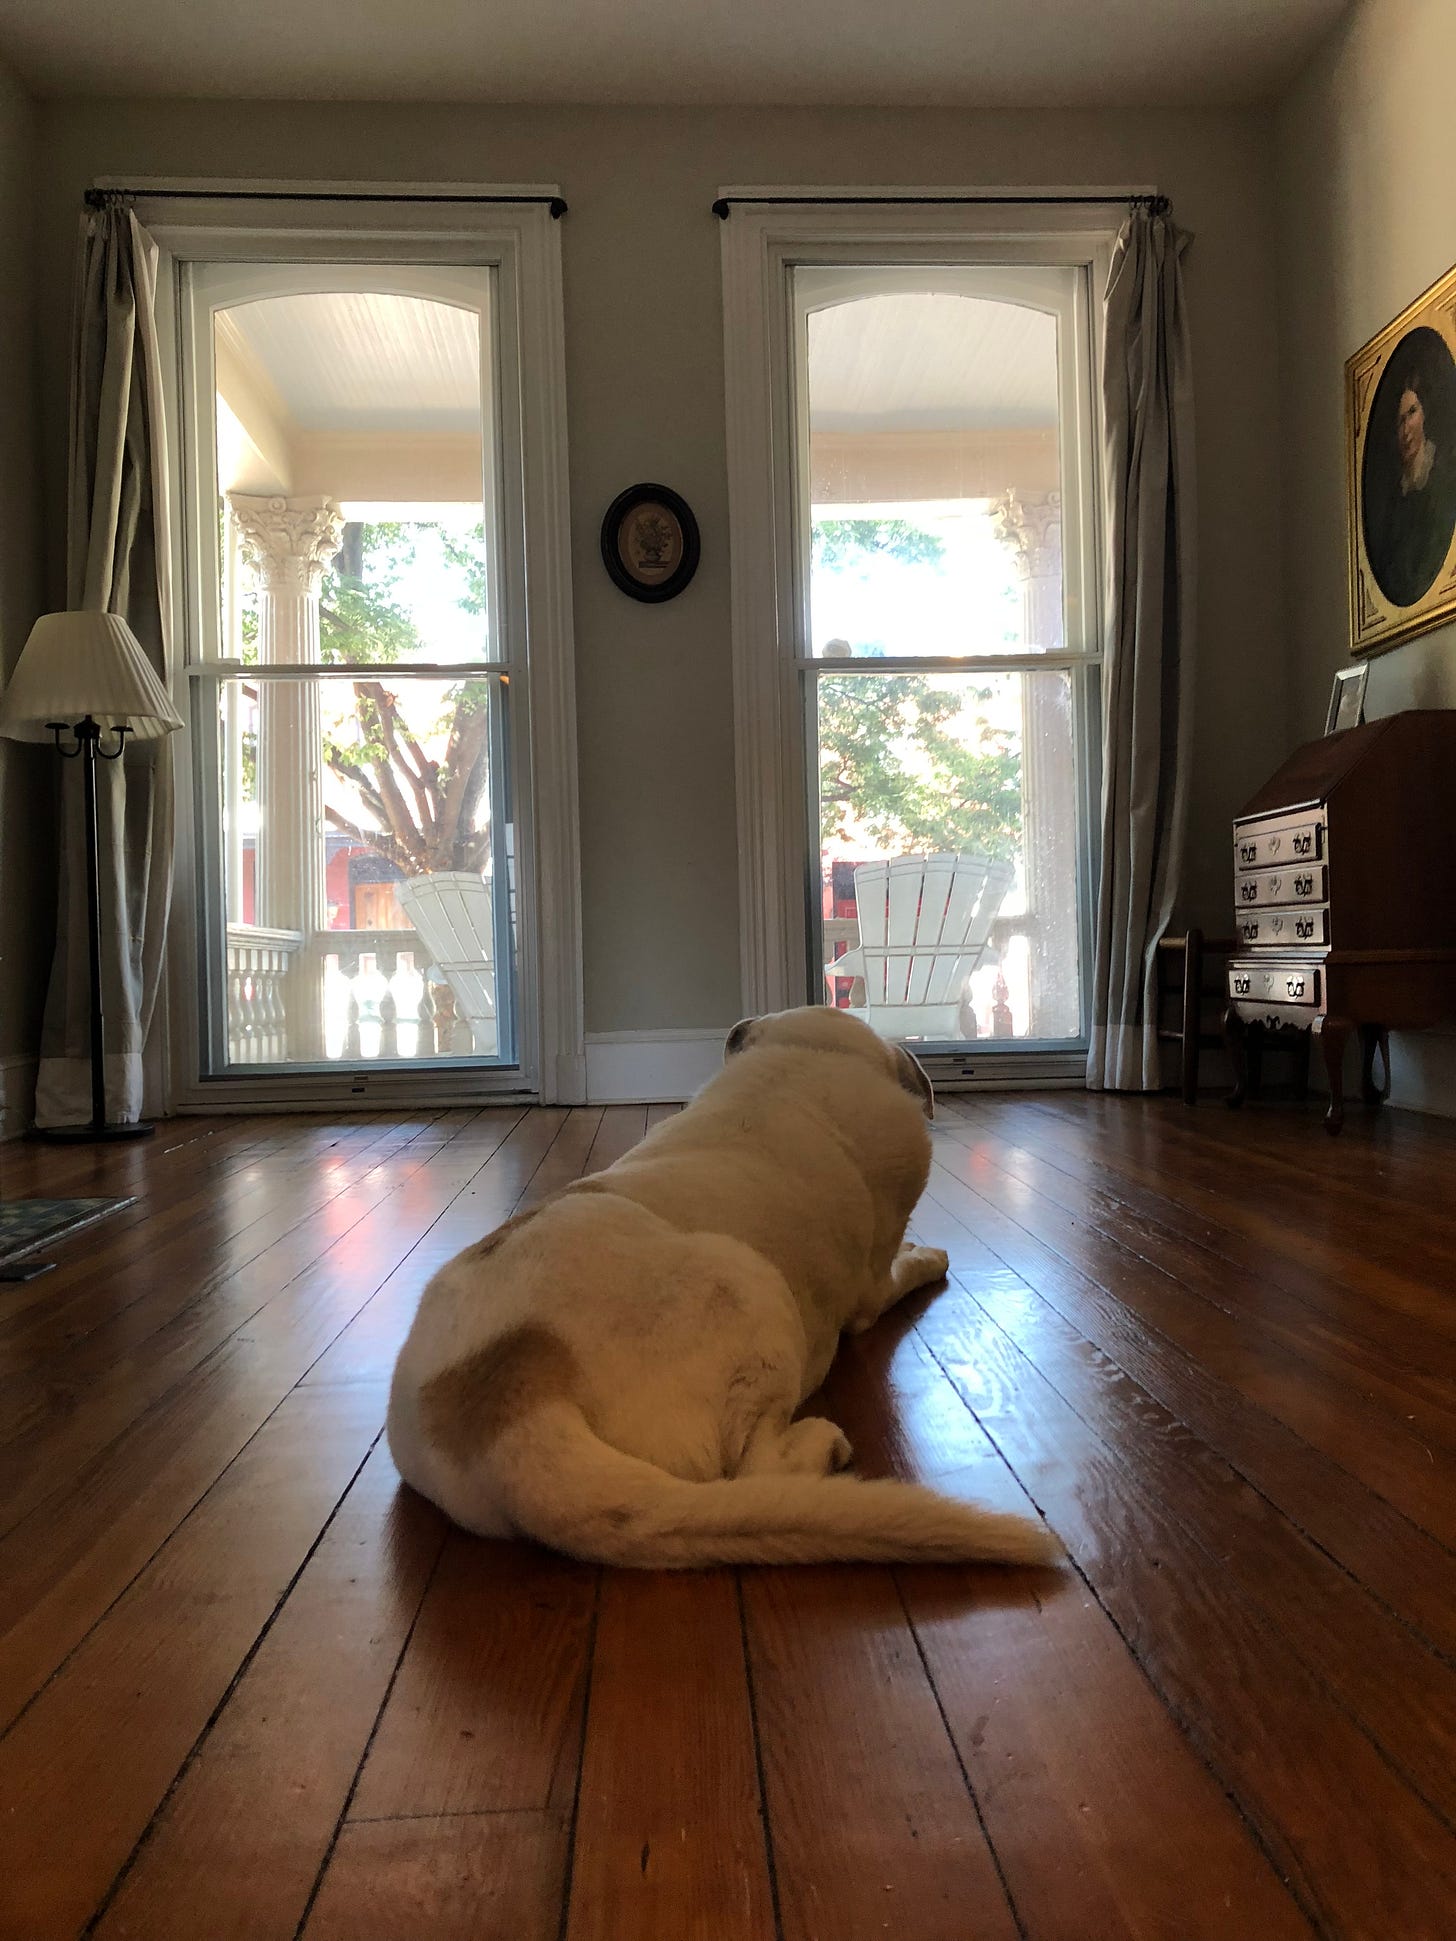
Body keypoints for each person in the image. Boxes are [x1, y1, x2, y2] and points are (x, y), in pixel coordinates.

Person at [1365, 361, 1456, 607]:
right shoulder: (1395, 501)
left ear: (1425, 413)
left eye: (1412, 413)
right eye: (1399, 422)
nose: (1406, 429)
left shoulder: (1443, 477)